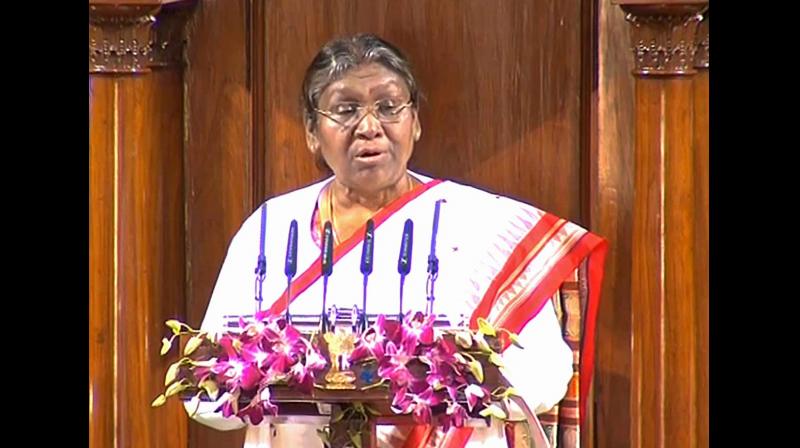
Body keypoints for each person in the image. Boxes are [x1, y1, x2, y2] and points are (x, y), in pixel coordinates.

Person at [186, 33, 607, 448]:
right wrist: (296, 381)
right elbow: (204, 393)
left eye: (388, 107)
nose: (369, 127)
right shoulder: (270, 229)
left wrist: (432, 382)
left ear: (416, 122)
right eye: (345, 109)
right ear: (313, 132)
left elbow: (546, 375)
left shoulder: (484, 226)